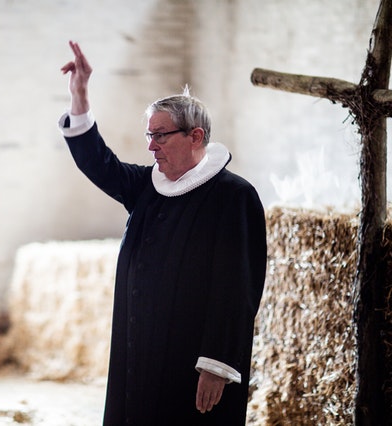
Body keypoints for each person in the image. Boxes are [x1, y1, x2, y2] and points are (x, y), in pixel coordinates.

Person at [58, 41, 267, 425]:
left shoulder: (233, 196)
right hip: (139, 349)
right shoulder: (147, 187)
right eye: (148, 135)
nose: (151, 146)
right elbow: (99, 164)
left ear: (195, 136)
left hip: (193, 360)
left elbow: (237, 288)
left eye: (161, 135)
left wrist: (216, 365)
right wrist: (80, 95)